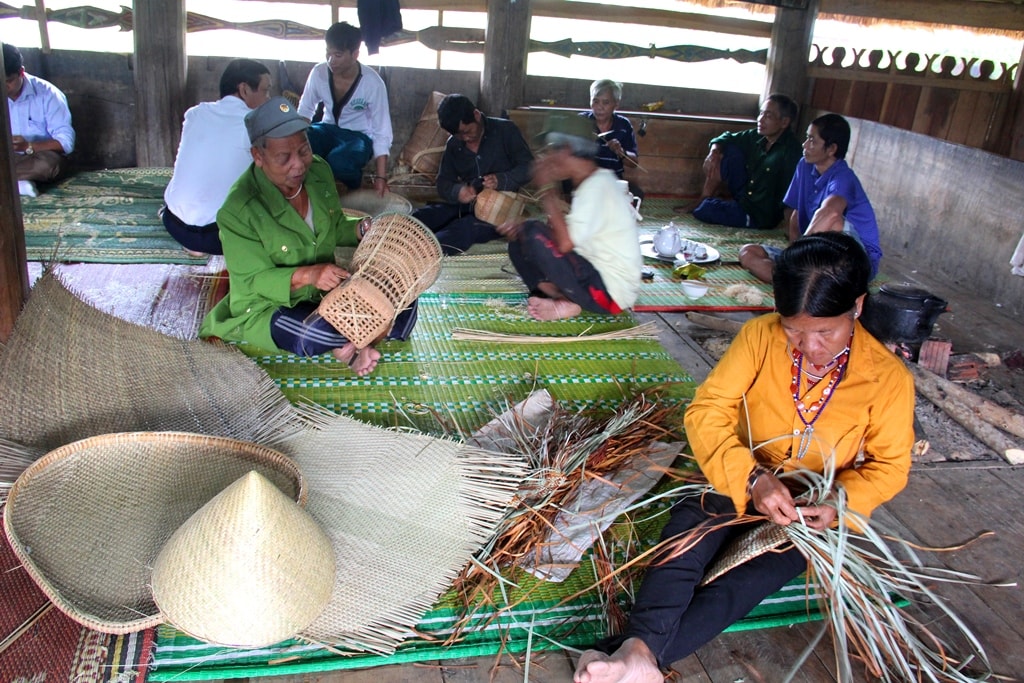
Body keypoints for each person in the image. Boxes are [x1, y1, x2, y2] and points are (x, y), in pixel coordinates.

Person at [573, 232, 914, 682]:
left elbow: (889, 467)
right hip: (736, 471)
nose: (809, 348)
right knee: (686, 540)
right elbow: (707, 411)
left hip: (807, 510)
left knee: (746, 582)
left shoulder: (887, 379)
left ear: (858, 306)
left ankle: (633, 654)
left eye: (826, 332)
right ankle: (640, 657)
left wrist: (837, 505)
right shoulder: (759, 337)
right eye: (794, 330)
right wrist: (752, 479)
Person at [199, 97, 417, 377]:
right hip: (269, 307)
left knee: (405, 295)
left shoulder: (318, 171)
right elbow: (254, 281)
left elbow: (334, 224)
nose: (299, 164)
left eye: (303, 150)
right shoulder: (239, 210)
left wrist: (361, 229)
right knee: (311, 335)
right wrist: (308, 275)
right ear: (258, 156)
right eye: (284, 158)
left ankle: (351, 341)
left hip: (325, 295)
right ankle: (355, 339)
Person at [496, 114, 641, 321]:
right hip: (593, 279)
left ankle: (568, 302)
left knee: (531, 230)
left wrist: (546, 189)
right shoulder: (591, 183)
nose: (546, 159)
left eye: (550, 150)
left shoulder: (598, 186)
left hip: (610, 293)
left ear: (566, 149)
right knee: (519, 241)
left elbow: (564, 244)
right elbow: (566, 238)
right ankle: (560, 297)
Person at [739, 113, 882, 283]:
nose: (805, 145)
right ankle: (794, 281)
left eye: (812, 141)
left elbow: (831, 214)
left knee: (833, 222)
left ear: (831, 149)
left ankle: (800, 279)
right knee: (748, 252)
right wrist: (793, 254)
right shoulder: (804, 166)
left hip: (854, 263)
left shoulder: (843, 178)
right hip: (816, 255)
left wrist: (798, 254)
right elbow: (795, 215)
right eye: (807, 138)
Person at [162, 58, 272, 256]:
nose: (268, 98)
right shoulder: (257, 125)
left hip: (174, 224)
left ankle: (195, 245)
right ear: (244, 89)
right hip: (220, 236)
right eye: (265, 91)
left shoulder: (195, 113)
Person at [412, 94, 534, 256]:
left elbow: (530, 167)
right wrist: (458, 191)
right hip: (468, 206)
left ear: (476, 115)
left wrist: (502, 180)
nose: (465, 138)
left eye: (467, 131)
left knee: (464, 229)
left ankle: (419, 255)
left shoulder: (505, 131)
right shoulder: (454, 144)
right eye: (458, 135)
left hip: (499, 211)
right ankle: (392, 239)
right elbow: (443, 182)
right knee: (422, 216)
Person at [297, 21, 393, 196]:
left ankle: (355, 185)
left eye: (338, 55)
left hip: (358, 137)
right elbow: (305, 111)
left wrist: (381, 177)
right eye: (328, 53)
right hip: (326, 130)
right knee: (304, 141)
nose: (331, 61)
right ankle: (306, 191)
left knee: (339, 162)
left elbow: (382, 131)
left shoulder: (372, 83)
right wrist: (296, 145)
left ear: (355, 54)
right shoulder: (319, 73)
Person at [692, 94, 801, 231]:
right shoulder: (757, 136)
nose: (760, 120)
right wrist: (713, 151)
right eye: (761, 113)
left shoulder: (791, 152)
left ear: (784, 122)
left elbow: (790, 194)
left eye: (768, 116)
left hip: (758, 213)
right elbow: (726, 137)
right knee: (728, 150)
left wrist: (784, 224)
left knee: (704, 210)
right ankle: (705, 197)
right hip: (745, 196)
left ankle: (712, 203)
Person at [3, 42, 75, 197]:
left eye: (8, 81)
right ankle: (19, 183)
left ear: (21, 72)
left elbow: (66, 143)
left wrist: (27, 146)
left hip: (37, 156)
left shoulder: (48, 95)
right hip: (8, 159)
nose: (3, 86)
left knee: (49, 165)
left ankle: (11, 181)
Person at [581, 79, 640, 194]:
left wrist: (621, 152)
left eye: (606, 102)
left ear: (616, 104)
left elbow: (634, 163)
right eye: (595, 101)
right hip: (586, 181)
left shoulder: (623, 125)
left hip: (613, 182)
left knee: (637, 194)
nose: (599, 107)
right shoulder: (582, 121)